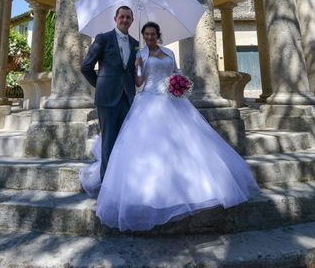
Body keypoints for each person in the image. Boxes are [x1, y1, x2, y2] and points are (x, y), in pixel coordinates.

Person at [80, 21, 260, 232]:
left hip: (173, 102)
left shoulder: (168, 52)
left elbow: (174, 72)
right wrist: (137, 67)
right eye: (146, 35)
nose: (149, 38)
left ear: (158, 35)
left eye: (152, 34)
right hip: (148, 100)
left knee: (187, 143)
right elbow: (139, 83)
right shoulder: (141, 54)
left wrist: (178, 83)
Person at [81, 6, 139, 181]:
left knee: (125, 141)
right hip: (107, 98)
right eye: (122, 16)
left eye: (128, 17)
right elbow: (86, 67)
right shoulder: (103, 38)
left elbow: (133, 73)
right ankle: (106, 183)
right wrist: (100, 85)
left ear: (132, 21)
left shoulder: (136, 44)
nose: (125, 20)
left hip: (128, 98)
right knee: (108, 140)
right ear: (115, 19)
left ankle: (121, 181)